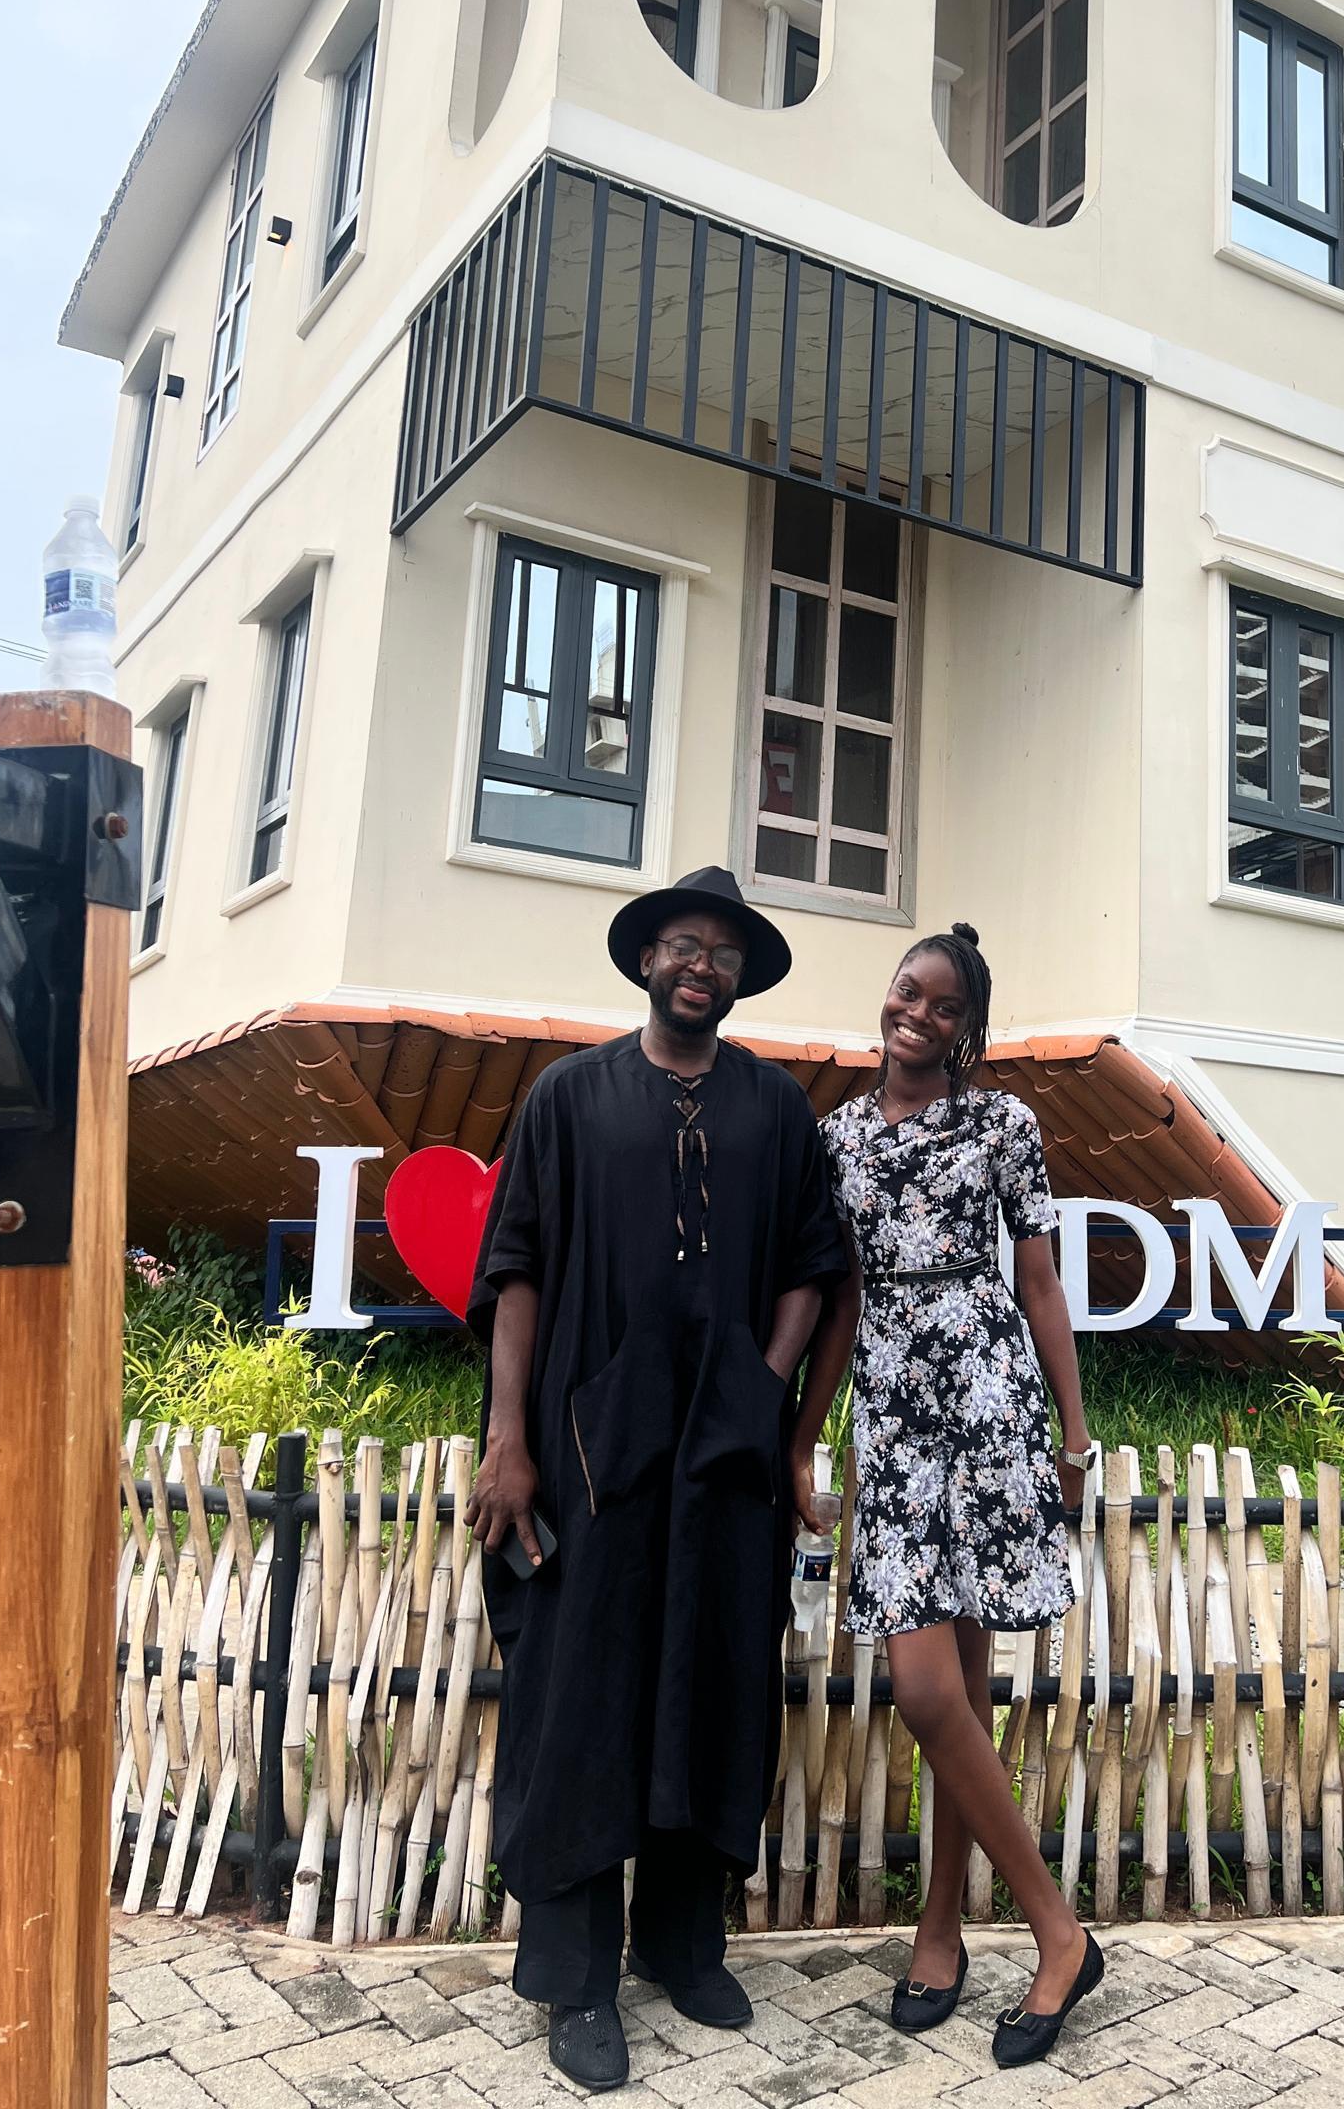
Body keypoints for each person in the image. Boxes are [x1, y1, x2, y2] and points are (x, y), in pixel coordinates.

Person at [465, 865, 845, 2094]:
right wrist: (510, 1439)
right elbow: (514, 1271)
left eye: (723, 952)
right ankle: (575, 1980)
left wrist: (761, 1379)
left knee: (713, 1678)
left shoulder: (776, 1111)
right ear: (646, 961)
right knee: (584, 1692)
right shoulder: (568, 1100)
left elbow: (812, 1263)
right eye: (684, 945)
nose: (702, 965)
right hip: (592, 1454)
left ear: (740, 976)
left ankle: (687, 1944)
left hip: (723, 1459)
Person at [790, 924, 1104, 2068]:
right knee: (932, 1692)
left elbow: (1037, 1281)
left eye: (940, 1003)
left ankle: (947, 1928)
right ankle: (1055, 1932)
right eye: (904, 991)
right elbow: (838, 1300)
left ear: (967, 1028)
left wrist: (1072, 1435)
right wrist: (804, 1442)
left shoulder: (1004, 1125)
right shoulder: (836, 1141)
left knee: (959, 1691)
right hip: (896, 1416)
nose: (915, 1012)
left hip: (989, 1403)